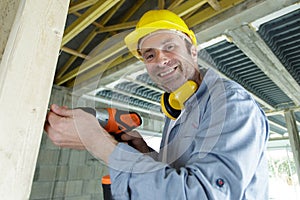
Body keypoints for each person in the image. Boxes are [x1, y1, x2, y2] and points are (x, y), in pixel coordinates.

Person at [45, 10, 269, 199]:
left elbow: (202, 193)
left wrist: (100, 144)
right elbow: (177, 174)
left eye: (169, 47)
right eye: (149, 55)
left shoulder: (231, 103)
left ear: (193, 51)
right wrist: (144, 152)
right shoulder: (177, 110)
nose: (160, 60)